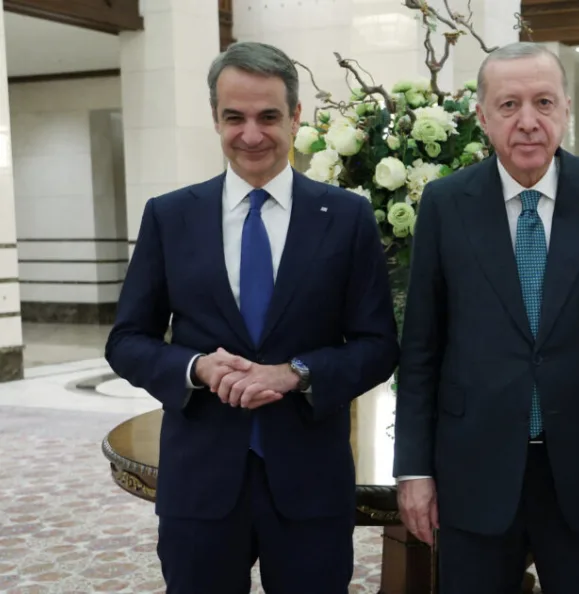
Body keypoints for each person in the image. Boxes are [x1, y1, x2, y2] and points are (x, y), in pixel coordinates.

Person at [105, 41, 399, 593]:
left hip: (311, 481)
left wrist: (296, 373)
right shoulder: (170, 216)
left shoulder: (347, 216)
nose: (251, 134)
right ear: (215, 118)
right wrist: (196, 368)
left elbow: (378, 345)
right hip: (200, 482)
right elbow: (126, 340)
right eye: (234, 117)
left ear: (295, 116)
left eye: (268, 116)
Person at [393, 42, 579, 593]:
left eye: (543, 102)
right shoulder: (446, 203)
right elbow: (422, 346)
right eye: (509, 105)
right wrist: (414, 469)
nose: (528, 121)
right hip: (474, 466)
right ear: (482, 116)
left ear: (566, 108)